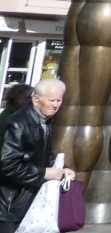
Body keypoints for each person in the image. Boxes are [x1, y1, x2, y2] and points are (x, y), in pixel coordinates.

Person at [0, 79, 74, 233]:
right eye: (51, 100)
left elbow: (44, 156)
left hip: (33, 203)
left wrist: (63, 169)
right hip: (9, 205)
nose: (56, 104)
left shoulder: (44, 121)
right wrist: (44, 173)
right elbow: (6, 165)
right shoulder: (18, 123)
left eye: (59, 100)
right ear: (36, 98)